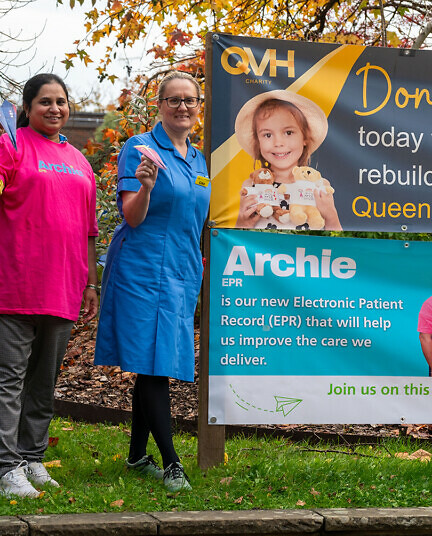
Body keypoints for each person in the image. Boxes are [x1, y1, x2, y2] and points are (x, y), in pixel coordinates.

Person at [0, 73, 98, 498]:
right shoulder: (10, 142)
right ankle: (6, 471)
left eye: (61, 101)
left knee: (42, 384)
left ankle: (30, 458)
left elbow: (88, 229)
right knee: (6, 382)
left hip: (62, 287)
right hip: (11, 284)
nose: (55, 108)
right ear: (27, 108)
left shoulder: (79, 161)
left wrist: (91, 283)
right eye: (45, 101)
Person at [94, 71, 210, 492]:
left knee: (154, 359)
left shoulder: (199, 160)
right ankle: (172, 463)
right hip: (142, 270)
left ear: (199, 107)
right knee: (154, 362)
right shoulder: (139, 148)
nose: (182, 107)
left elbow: (198, 218)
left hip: (181, 271)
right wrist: (144, 188)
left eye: (190, 100)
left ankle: (135, 457)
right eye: (173, 99)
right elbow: (132, 216)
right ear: (159, 105)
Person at [234, 90, 341, 230]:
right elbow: (239, 236)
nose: (278, 143)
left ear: (305, 137)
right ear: (258, 142)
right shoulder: (251, 185)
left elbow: (337, 237)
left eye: (288, 132)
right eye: (267, 135)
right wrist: (243, 221)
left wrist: (331, 215)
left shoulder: (319, 186)